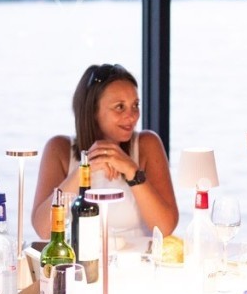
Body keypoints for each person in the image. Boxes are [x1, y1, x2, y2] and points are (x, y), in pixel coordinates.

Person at [31, 63, 177, 240]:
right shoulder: (59, 149)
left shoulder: (147, 144)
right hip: (79, 265)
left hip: (137, 263)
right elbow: (43, 230)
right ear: (93, 110)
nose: (132, 116)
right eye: (120, 107)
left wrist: (132, 171)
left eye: (135, 105)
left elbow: (165, 228)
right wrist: (84, 170)